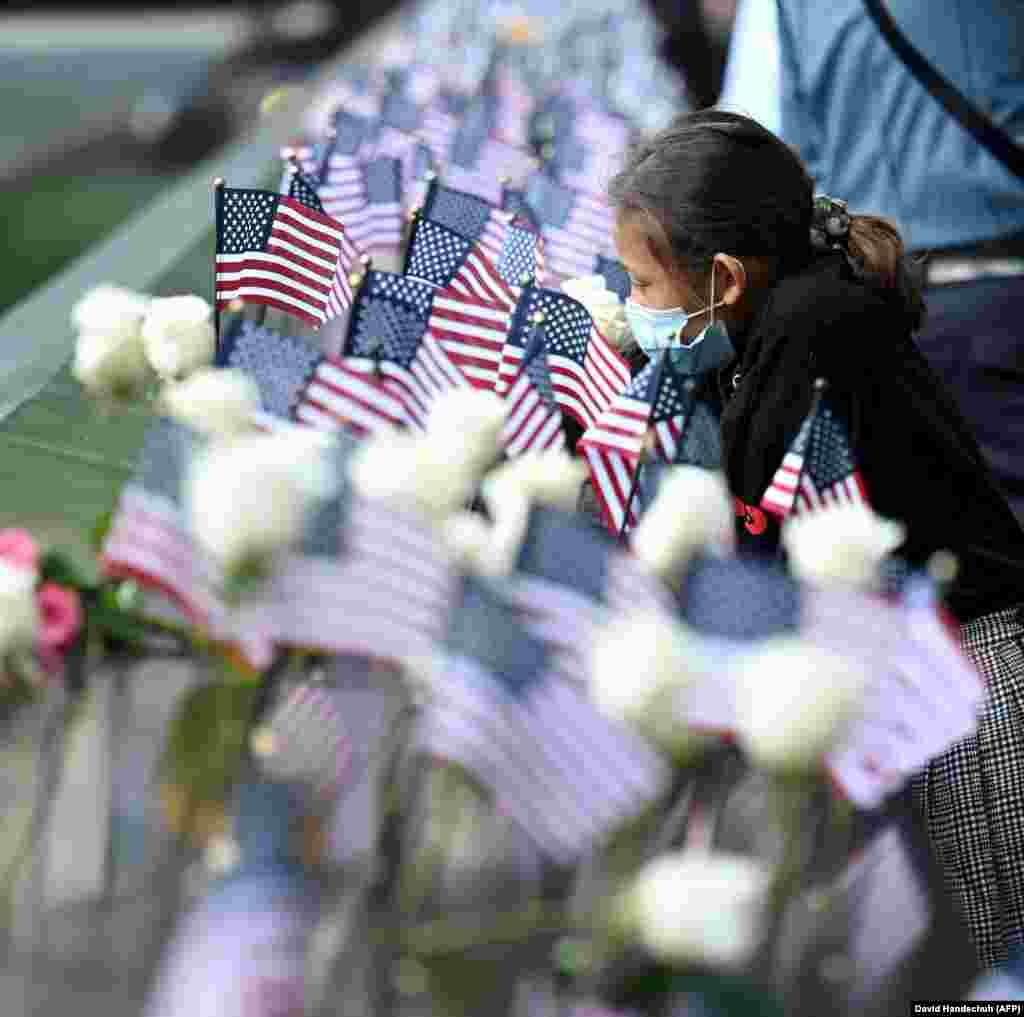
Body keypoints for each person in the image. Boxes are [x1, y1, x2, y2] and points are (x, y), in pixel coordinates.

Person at [605, 109, 1024, 969]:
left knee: (987, 963)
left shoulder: (812, 338)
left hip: (960, 691)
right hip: (936, 670)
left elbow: (772, 524)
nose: (631, 307)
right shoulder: (787, 320)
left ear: (723, 275)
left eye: (643, 285)